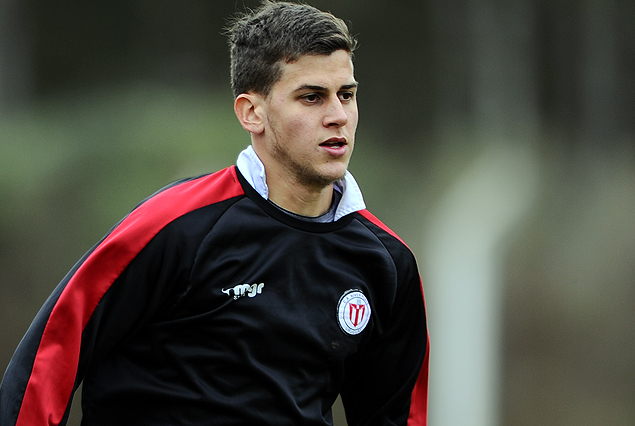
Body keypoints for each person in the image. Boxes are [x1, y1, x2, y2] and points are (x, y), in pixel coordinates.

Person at [0, 1, 429, 425]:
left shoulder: (387, 263)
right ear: (252, 113)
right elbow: (50, 352)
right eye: (312, 97)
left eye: (347, 95)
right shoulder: (175, 226)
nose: (338, 116)